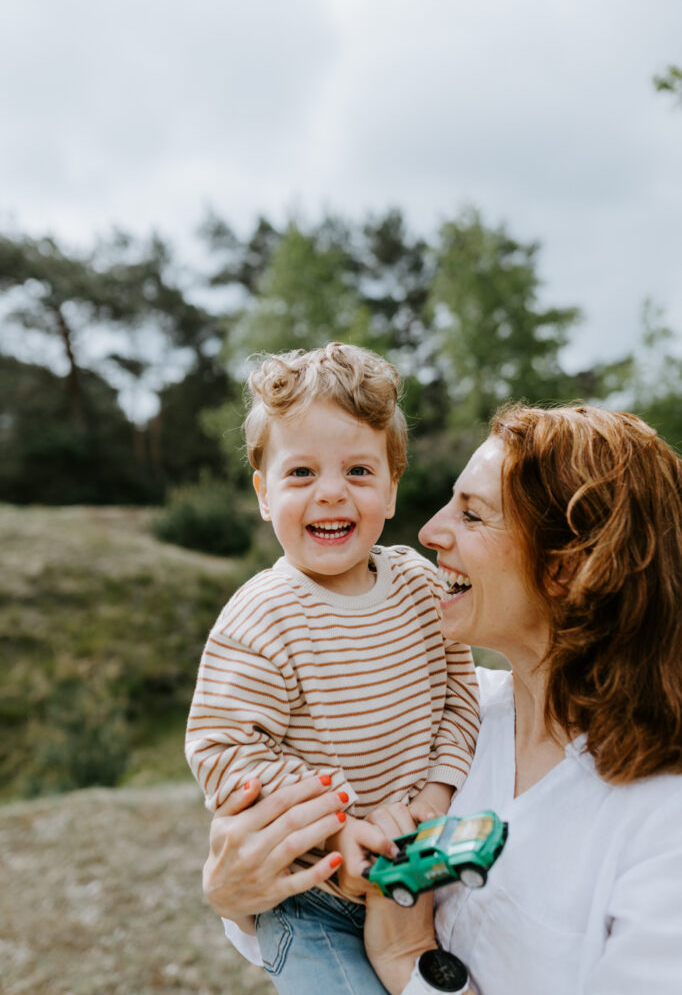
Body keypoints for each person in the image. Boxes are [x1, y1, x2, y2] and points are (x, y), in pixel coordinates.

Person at [200, 403, 682, 995]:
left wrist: (409, 960)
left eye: (472, 515)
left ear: (566, 568)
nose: (428, 532)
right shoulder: (443, 711)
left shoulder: (662, 831)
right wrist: (240, 897)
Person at [185, 342, 480, 994]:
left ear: (392, 486)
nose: (330, 494)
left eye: (357, 470)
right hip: (311, 899)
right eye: (300, 474)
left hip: (414, 870)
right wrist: (336, 825)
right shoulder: (262, 614)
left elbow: (460, 699)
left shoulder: (418, 585)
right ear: (264, 494)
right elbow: (222, 748)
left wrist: (432, 799)